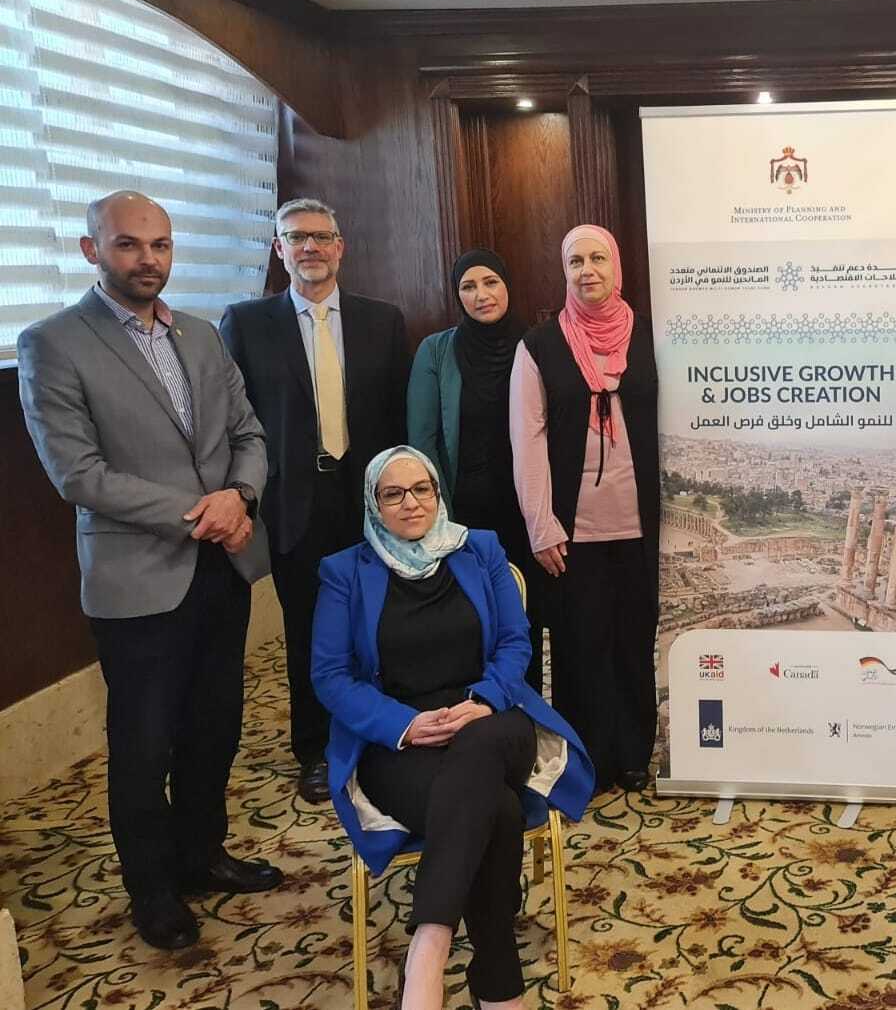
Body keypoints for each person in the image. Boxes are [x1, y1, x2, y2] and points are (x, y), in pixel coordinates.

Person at [17, 191, 281, 950]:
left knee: (215, 728)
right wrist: (203, 511)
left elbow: (248, 433)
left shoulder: (200, 333)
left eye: (160, 244)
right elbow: (78, 474)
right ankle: (153, 891)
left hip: (221, 568)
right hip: (137, 580)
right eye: (128, 244)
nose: (148, 259)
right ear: (90, 250)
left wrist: (241, 496)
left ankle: (203, 855)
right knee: (144, 744)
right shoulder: (52, 343)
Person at [311, 446, 595, 1010]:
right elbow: (331, 675)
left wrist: (483, 700)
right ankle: (498, 985)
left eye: (422, 489)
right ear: (373, 504)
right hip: (399, 741)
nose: (410, 503)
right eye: (393, 493)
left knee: (482, 750)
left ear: (438, 493)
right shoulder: (344, 572)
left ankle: (430, 941)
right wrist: (405, 724)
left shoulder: (480, 549)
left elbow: (514, 642)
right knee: (497, 810)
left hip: (492, 721)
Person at [221, 198, 412, 804]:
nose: (311, 247)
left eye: (322, 237)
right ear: (279, 249)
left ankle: (384, 733)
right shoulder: (246, 323)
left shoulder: (383, 321)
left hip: (371, 499)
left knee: (382, 622)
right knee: (309, 630)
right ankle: (317, 747)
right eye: (296, 237)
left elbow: (400, 416)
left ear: (340, 247)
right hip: (294, 503)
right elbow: (235, 421)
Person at [510, 224, 659, 795]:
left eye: (598, 258)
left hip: (641, 524)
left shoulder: (648, 334)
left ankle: (633, 752)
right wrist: (540, 524)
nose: (587, 270)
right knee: (579, 644)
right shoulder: (539, 345)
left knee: (634, 639)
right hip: (572, 529)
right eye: (576, 261)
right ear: (564, 271)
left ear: (616, 267)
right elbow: (527, 440)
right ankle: (588, 756)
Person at [408, 249, 541, 691]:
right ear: (457, 295)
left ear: (507, 286)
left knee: (526, 618)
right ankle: (478, 715)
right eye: (468, 286)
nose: (482, 295)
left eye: (491, 283)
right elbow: (423, 441)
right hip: (463, 516)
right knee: (473, 620)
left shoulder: (537, 344)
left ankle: (526, 710)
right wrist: (437, 519)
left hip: (527, 512)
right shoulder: (436, 351)